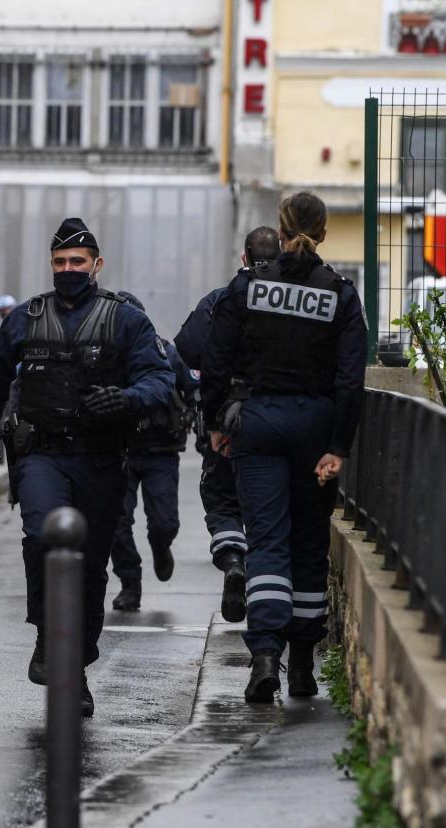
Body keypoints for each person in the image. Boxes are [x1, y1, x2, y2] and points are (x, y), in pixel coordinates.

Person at [0, 218, 174, 717]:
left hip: (101, 459)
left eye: (77, 262)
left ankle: (77, 664)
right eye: (59, 262)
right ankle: (44, 635)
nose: (67, 270)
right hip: (41, 454)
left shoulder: (125, 320)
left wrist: (125, 398)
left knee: (88, 566)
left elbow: (160, 379)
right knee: (42, 536)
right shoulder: (25, 318)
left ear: (96, 265)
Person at [202, 193, 367, 702]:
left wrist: (214, 423)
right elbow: (350, 380)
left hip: (258, 422)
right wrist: (337, 445)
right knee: (308, 543)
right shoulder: (339, 293)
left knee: (268, 540)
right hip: (315, 427)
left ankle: (264, 658)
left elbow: (215, 358)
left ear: (281, 225)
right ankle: (301, 668)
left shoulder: (248, 287)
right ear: (323, 232)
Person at [175, 226, 282, 623]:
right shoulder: (293, 299)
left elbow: (188, 348)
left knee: (221, 497)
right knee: (270, 510)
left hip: (229, 420)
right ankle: (266, 604)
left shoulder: (222, 299)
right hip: (282, 418)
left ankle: (233, 558)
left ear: (244, 259)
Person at [108, 291, 198, 612]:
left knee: (164, 523)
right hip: (119, 451)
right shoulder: (105, 356)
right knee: (116, 521)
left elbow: (192, 388)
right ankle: (130, 583)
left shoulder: (165, 352)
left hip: (160, 449)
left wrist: (192, 412)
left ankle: (161, 547)